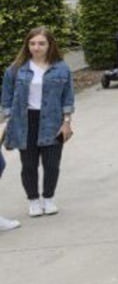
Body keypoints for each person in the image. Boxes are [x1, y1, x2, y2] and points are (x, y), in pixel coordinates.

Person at [2, 27, 74, 218]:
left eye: (41, 43)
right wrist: (9, 120)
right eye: (32, 43)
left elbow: (68, 98)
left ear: (50, 45)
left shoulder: (61, 68)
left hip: (52, 121)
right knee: (29, 165)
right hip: (25, 122)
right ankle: (33, 200)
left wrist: (66, 122)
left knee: (52, 164)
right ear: (27, 45)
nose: (36, 47)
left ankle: (48, 199)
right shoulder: (16, 69)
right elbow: (6, 98)